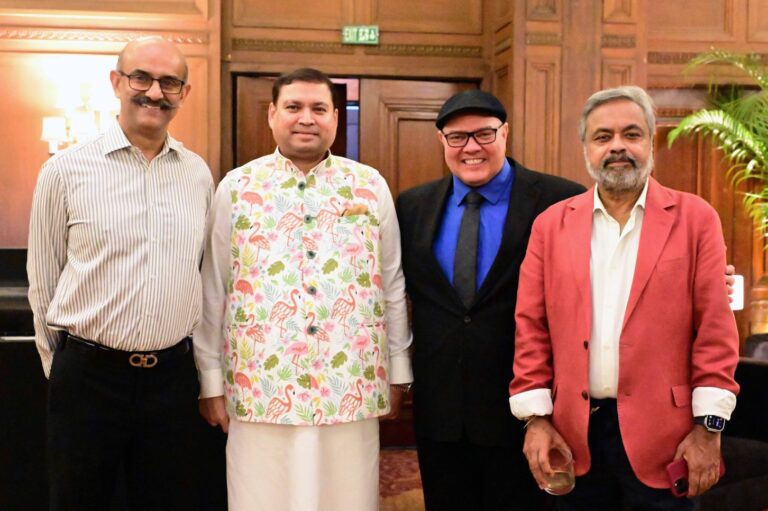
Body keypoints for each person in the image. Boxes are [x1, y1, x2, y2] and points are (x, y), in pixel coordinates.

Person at [509, 85, 740, 510]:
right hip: (572, 436)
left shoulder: (696, 219)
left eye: (631, 134)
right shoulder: (550, 226)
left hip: (668, 438)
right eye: (603, 137)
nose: (618, 147)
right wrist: (535, 420)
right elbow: (531, 327)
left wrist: (709, 429)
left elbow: (715, 329)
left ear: (651, 143)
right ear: (586, 148)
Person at [194, 67, 412, 511]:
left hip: (350, 379)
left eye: (319, 108)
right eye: (294, 107)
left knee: (347, 497)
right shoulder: (237, 188)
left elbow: (392, 282)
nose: (306, 118)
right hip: (258, 383)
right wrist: (210, 381)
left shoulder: (369, 186)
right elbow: (213, 286)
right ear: (273, 115)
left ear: (335, 116)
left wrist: (400, 371)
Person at [27, 37, 213, 509]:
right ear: (116, 82)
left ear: (184, 94)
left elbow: (201, 273)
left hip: (172, 381)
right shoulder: (65, 170)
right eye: (142, 78)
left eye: (170, 82)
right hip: (88, 378)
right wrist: (64, 368)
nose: (154, 92)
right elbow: (43, 280)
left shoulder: (198, 174)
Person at [396, 90, 585, 510]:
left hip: (528, 409)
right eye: (457, 137)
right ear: (442, 141)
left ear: (506, 134)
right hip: (440, 410)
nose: (472, 148)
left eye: (484, 134)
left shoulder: (560, 200)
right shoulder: (412, 206)